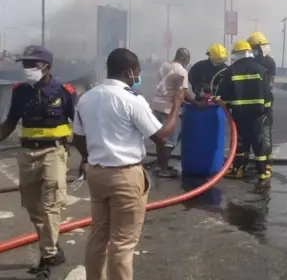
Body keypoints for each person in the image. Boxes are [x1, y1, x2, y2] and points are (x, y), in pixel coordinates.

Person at [73, 48, 183, 280]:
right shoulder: (131, 99)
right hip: (124, 177)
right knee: (122, 244)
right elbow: (162, 136)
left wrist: (91, 158)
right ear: (129, 72)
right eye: (138, 72)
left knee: (98, 236)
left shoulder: (87, 98)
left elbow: (78, 139)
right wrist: (176, 106)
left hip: (96, 174)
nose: (138, 76)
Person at [0, 45, 76, 279]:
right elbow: (10, 122)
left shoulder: (64, 91)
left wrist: (89, 156)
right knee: (33, 207)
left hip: (54, 153)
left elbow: (80, 125)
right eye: (25, 64)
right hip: (27, 155)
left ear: (46, 67)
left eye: (32, 64)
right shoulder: (20, 91)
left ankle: (47, 256)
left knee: (50, 205)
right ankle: (51, 245)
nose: (27, 68)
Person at [217, 40, 270, 183]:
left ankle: (238, 169)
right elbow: (267, 93)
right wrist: (267, 110)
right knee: (259, 143)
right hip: (257, 113)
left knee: (240, 143)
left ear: (236, 54)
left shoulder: (231, 70)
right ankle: (262, 173)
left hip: (239, 113)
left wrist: (223, 104)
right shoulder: (260, 69)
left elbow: (224, 94)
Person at [150, 48, 203, 178]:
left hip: (157, 106)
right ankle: (164, 170)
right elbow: (182, 92)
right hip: (170, 108)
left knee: (160, 139)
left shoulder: (164, 65)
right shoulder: (181, 71)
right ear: (185, 59)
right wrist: (196, 103)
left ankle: (160, 165)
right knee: (171, 140)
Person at [247, 32, 276, 170]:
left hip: (265, 103)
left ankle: (267, 160)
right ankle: (246, 160)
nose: (252, 49)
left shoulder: (269, 62)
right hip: (249, 102)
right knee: (248, 132)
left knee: (264, 132)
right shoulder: (250, 61)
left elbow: (270, 84)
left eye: (254, 47)